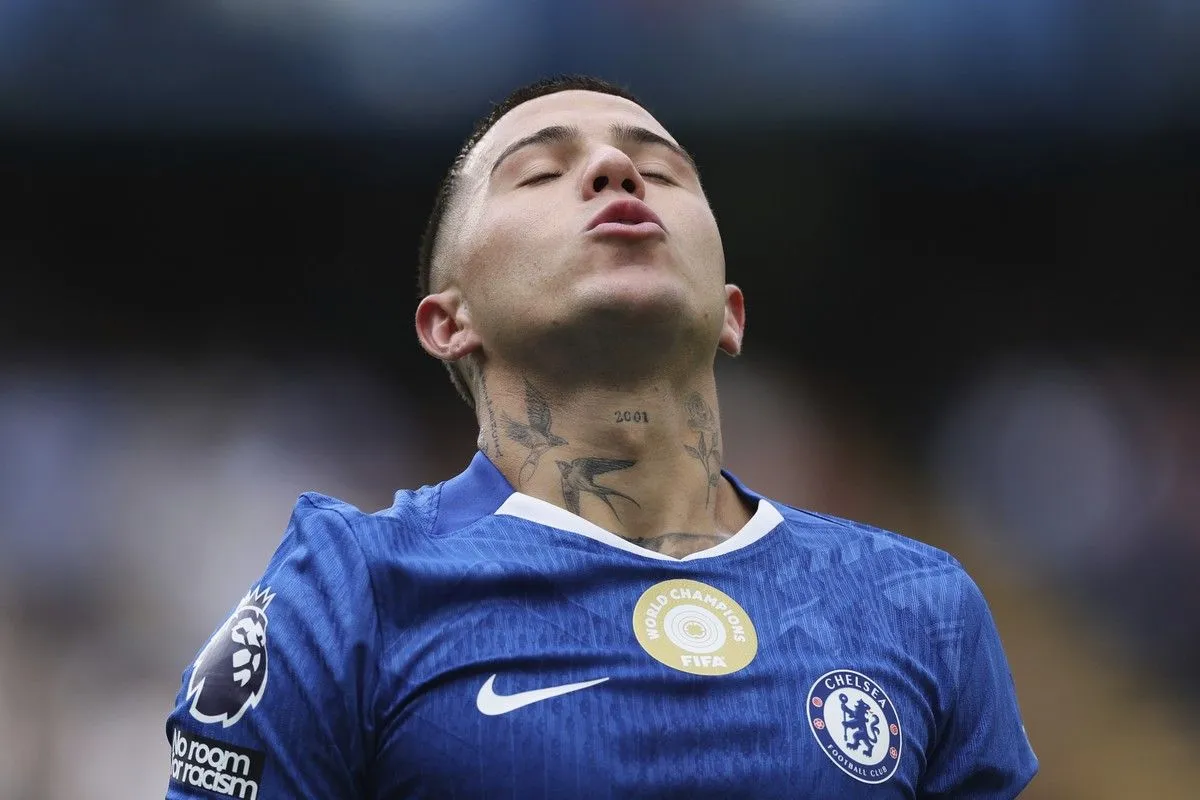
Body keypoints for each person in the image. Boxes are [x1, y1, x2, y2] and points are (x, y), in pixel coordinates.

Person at [165, 75, 1037, 799]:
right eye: (540, 173)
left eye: (660, 170)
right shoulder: (347, 592)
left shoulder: (920, 605)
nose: (617, 170)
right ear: (448, 322)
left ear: (730, 313)